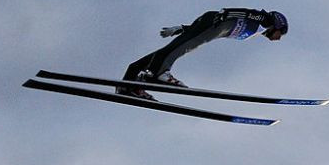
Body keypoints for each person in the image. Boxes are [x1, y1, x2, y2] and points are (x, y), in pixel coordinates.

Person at [118, 8, 288, 99]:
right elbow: (245, 12)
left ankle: (130, 82)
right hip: (214, 22)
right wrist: (224, 14)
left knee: (177, 47)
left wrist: (182, 29)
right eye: (281, 33)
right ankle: (158, 74)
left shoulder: (258, 30)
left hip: (210, 25)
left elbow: (196, 32)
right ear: (278, 26)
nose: (279, 38)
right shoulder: (264, 20)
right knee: (185, 47)